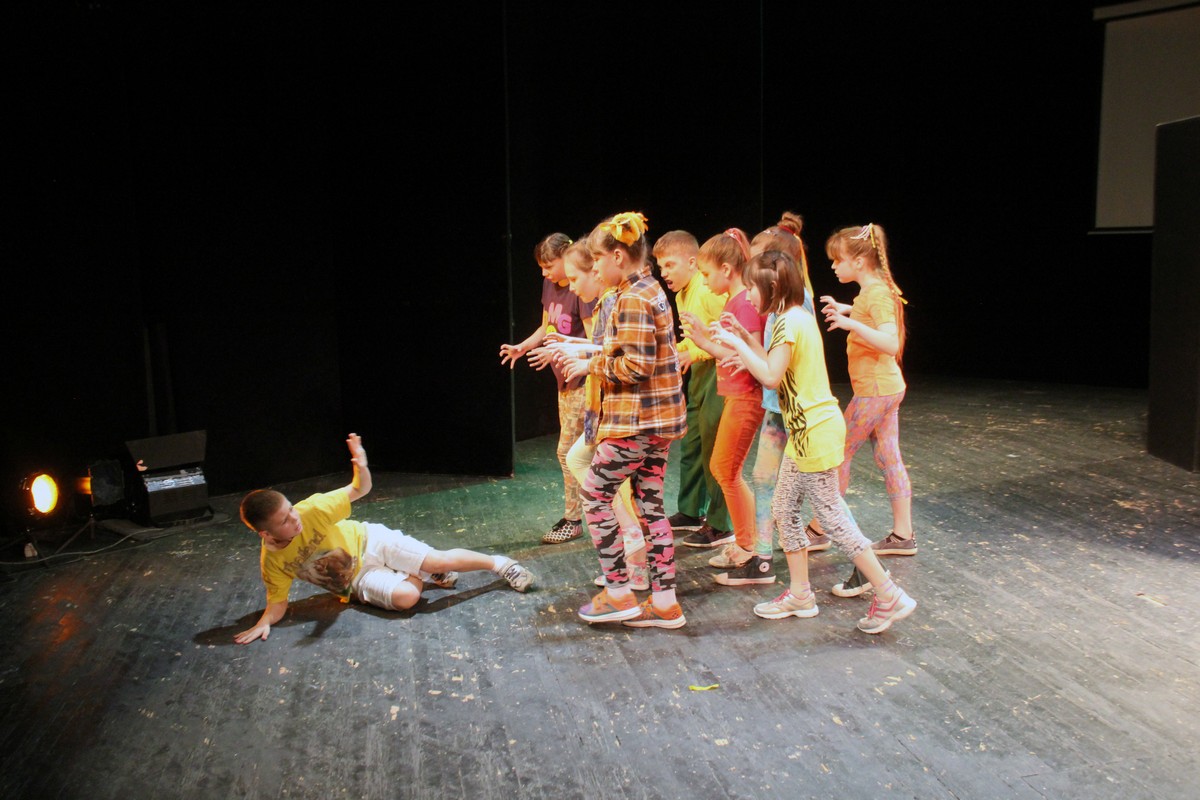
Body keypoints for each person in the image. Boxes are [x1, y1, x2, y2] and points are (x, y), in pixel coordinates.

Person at [712, 251, 916, 634]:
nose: (749, 296)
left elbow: (770, 376)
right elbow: (774, 364)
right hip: (804, 431)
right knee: (784, 507)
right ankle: (800, 594)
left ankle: (889, 594)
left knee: (832, 517)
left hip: (814, 432)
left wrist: (737, 346)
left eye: (753, 287)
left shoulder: (789, 322)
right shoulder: (793, 318)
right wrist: (743, 338)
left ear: (772, 286)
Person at [233, 434, 534, 644]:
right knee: (407, 599)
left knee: (439, 560)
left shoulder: (310, 510)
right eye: (285, 520)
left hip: (371, 541)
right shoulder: (273, 562)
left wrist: (361, 466)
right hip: (356, 579)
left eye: (290, 509)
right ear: (266, 534)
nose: (294, 518)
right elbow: (278, 602)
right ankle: (416, 571)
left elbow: (359, 489)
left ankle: (501, 565)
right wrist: (264, 621)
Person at [560, 212, 688, 629]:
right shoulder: (650, 289)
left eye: (598, 259)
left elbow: (636, 365)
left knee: (595, 495)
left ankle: (618, 593)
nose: (595, 268)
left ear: (617, 256)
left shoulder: (633, 297)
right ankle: (665, 602)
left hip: (637, 423)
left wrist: (591, 366)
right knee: (651, 508)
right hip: (658, 423)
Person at [712, 213, 828, 587]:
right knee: (764, 479)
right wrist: (744, 343)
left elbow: (782, 365)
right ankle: (762, 559)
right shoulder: (777, 305)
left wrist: (741, 346)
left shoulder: (796, 304)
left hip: (799, 412)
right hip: (778, 408)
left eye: (758, 259)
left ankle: (866, 565)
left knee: (822, 496)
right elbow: (771, 355)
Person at [531, 239, 650, 589]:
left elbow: (625, 358)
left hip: (620, 409)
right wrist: (573, 344)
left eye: (576, 277)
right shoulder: (606, 302)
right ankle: (633, 552)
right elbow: (605, 347)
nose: (571, 286)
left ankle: (630, 550)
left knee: (603, 476)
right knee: (583, 463)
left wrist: (583, 359)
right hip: (606, 403)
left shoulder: (615, 301)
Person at [810, 223, 915, 597]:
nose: (834, 267)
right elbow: (871, 314)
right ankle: (903, 534)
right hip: (886, 389)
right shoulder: (873, 292)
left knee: (838, 453)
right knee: (888, 457)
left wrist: (849, 322)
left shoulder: (878, 294)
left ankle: (819, 529)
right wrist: (847, 309)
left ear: (858, 260)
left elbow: (889, 342)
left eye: (837, 260)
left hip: (874, 391)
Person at [499, 233, 596, 545]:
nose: (544, 272)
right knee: (576, 453)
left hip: (583, 380)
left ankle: (576, 518)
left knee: (570, 452)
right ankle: (588, 514)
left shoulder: (581, 290)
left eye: (549, 265)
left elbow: (594, 342)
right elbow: (547, 326)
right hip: (563, 380)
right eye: (541, 267)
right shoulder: (549, 285)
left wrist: (558, 352)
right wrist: (524, 346)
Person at [679, 229, 766, 567]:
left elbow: (751, 357)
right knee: (723, 468)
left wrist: (706, 342)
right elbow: (731, 353)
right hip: (735, 395)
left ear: (727, 269)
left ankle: (748, 544)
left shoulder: (744, 304)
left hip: (746, 397)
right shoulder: (734, 301)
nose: (703, 281)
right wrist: (704, 338)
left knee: (725, 470)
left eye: (706, 274)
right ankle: (749, 541)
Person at [653, 230, 729, 539]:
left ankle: (722, 524)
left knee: (715, 449)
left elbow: (726, 337)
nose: (664, 273)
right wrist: (673, 351)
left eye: (670, 265)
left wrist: (691, 353)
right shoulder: (682, 294)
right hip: (699, 374)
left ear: (692, 262)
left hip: (719, 373)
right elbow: (692, 339)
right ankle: (691, 509)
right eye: (661, 267)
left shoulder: (708, 291)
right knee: (692, 444)